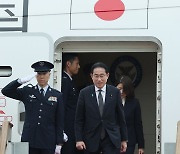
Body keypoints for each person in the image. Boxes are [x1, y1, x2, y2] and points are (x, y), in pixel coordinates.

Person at [1, 61, 64, 154]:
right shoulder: (28, 91)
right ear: (35, 75)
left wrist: (59, 143)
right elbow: (6, 91)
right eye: (39, 73)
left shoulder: (57, 95)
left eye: (44, 73)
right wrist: (20, 81)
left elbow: (60, 120)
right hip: (30, 139)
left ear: (49, 74)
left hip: (48, 140)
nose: (41, 76)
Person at [75, 62, 128, 154]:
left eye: (102, 76)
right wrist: (78, 139)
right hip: (91, 138)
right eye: (96, 76)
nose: (99, 79)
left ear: (107, 75)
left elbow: (121, 117)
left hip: (111, 138)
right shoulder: (84, 93)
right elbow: (79, 119)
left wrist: (124, 139)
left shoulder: (115, 92)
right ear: (91, 76)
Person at [116, 76, 145, 154]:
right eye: (119, 89)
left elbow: (138, 124)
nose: (121, 92)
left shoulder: (134, 103)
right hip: (113, 141)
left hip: (129, 141)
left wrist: (141, 146)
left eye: (124, 89)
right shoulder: (109, 102)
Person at [61, 53, 82, 154]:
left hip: (72, 125)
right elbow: (63, 105)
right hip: (67, 126)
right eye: (77, 63)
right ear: (68, 64)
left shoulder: (70, 80)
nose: (78, 66)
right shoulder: (64, 81)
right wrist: (62, 129)